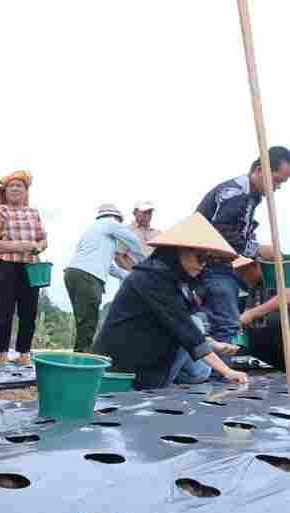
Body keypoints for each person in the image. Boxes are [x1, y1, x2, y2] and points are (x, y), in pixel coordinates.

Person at [93, 213, 248, 388]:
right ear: (178, 252)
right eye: (200, 258)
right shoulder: (150, 279)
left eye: (208, 260)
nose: (202, 265)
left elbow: (181, 324)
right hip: (121, 369)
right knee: (195, 327)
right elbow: (184, 328)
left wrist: (214, 345)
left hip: (148, 358)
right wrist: (227, 371)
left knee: (199, 358)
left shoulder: (175, 281)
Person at [196, 146, 290, 345]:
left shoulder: (251, 196)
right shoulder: (237, 193)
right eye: (277, 180)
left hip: (220, 265)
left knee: (224, 323)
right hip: (210, 265)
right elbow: (221, 234)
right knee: (226, 326)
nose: (277, 187)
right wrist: (257, 249)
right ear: (259, 170)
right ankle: (220, 365)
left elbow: (236, 232)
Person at [0, 171, 47, 367]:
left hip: (31, 267)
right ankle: (2, 354)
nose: (15, 189)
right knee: (4, 310)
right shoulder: (0, 211)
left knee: (29, 311)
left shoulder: (33, 213)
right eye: (11, 186)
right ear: (5, 191)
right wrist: (21, 246)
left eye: (19, 186)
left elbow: (43, 239)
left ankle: (24, 354)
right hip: (6, 266)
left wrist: (39, 247)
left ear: (26, 191)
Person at [65, 204, 144, 351]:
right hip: (88, 276)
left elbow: (108, 266)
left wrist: (127, 275)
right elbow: (133, 241)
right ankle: (83, 357)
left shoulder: (92, 230)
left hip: (72, 273)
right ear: (116, 217)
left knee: (82, 321)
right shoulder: (110, 223)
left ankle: (81, 354)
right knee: (88, 322)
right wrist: (144, 264)